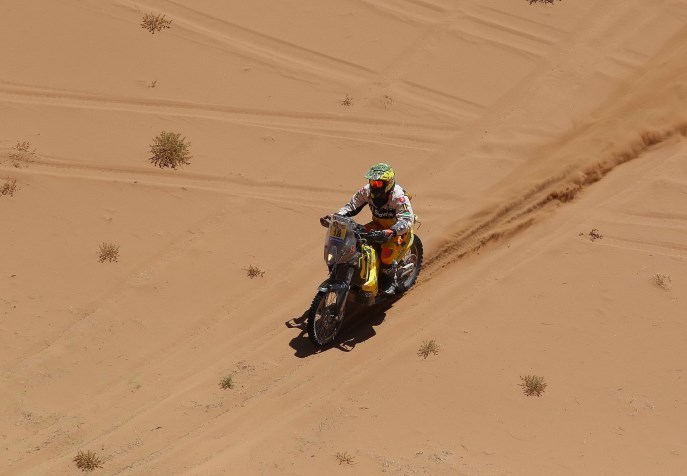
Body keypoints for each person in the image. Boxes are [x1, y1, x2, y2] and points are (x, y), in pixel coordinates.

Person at [321, 163, 415, 295]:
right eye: (372, 182)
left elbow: (407, 220)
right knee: (353, 242)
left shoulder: (398, 197)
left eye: (378, 183)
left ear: (388, 183)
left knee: (386, 256)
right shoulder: (366, 191)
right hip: (377, 225)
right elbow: (351, 206)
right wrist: (337, 217)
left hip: (397, 230)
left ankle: (388, 281)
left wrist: (391, 231)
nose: (374, 185)